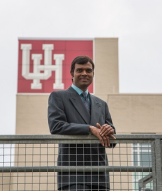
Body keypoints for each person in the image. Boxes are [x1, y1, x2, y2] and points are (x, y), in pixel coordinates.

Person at [48, 56, 116, 191]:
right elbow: (56, 126)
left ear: (93, 74)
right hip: (74, 174)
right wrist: (90, 129)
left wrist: (110, 130)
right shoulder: (59, 97)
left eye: (88, 70)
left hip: (99, 174)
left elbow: (112, 141)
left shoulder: (101, 104)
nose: (84, 73)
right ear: (72, 74)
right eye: (80, 70)